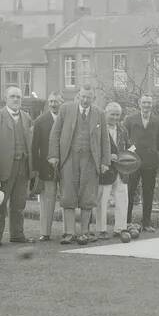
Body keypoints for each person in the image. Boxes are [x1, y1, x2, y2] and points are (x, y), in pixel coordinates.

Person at [48, 83, 109, 244]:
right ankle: (69, 233)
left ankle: (84, 232)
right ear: (78, 96)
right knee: (68, 194)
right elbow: (55, 133)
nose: (85, 100)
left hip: (90, 159)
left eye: (88, 97)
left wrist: (105, 161)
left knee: (88, 196)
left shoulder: (99, 114)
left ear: (93, 98)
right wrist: (53, 155)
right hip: (69, 158)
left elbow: (105, 139)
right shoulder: (66, 109)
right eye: (82, 96)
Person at [0, 85, 36, 248]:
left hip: (23, 166)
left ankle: (17, 234)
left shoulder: (27, 117)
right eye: (12, 96)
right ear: (5, 99)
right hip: (4, 168)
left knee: (19, 203)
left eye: (18, 97)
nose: (16, 100)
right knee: (0, 204)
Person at [124, 94, 159, 232]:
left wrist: (151, 151)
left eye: (149, 103)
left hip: (151, 162)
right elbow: (125, 139)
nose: (147, 105)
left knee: (148, 192)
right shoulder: (130, 120)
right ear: (139, 103)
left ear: (152, 104)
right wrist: (132, 151)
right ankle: (126, 222)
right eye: (144, 103)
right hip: (133, 161)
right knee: (129, 191)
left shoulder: (158, 121)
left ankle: (146, 223)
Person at [31, 92, 63, 241]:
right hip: (46, 168)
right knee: (47, 201)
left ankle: (67, 231)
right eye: (50, 101)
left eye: (56, 101)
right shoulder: (40, 121)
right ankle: (45, 232)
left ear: (61, 102)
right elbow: (34, 147)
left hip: (65, 167)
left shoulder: (68, 119)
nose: (53, 104)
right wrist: (36, 169)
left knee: (67, 200)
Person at [96, 102, 130, 239]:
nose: (115, 117)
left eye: (118, 115)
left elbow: (130, 147)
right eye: (112, 114)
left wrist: (126, 157)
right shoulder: (98, 129)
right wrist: (107, 157)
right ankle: (101, 229)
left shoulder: (123, 130)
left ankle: (120, 228)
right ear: (105, 113)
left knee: (122, 199)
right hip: (105, 170)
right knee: (102, 200)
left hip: (122, 170)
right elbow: (94, 149)